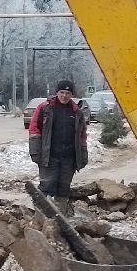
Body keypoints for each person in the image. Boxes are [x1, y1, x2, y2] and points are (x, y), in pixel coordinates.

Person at [28, 80, 90, 209]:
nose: (64, 96)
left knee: (63, 188)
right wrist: (35, 152)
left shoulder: (76, 112)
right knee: (46, 187)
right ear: (57, 93)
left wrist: (83, 154)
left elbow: (82, 135)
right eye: (62, 92)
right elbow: (34, 129)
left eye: (68, 93)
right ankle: (40, 215)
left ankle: (60, 214)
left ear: (72, 95)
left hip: (69, 158)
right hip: (49, 156)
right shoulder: (45, 108)